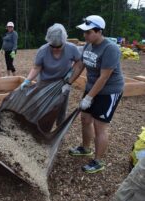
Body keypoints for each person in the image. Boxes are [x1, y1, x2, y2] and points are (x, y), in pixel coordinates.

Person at [69, 15, 124, 174]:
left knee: (100, 126)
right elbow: (80, 66)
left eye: (88, 32)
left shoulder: (110, 49)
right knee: (85, 119)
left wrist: (88, 97)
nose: (85, 35)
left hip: (109, 91)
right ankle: (85, 148)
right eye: (84, 32)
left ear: (99, 31)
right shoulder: (88, 45)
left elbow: (104, 77)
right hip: (92, 88)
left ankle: (98, 161)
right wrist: (68, 83)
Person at [20, 23, 83, 125]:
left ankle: (58, 130)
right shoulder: (43, 50)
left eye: (59, 46)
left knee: (60, 108)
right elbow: (37, 67)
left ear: (64, 41)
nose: (55, 49)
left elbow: (79, 62)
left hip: (63, 83)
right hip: (44, 82)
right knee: (42, 106)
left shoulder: (71, 48)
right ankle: (39, 127)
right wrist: (28, 80)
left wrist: (71, 75)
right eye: (52, 46)